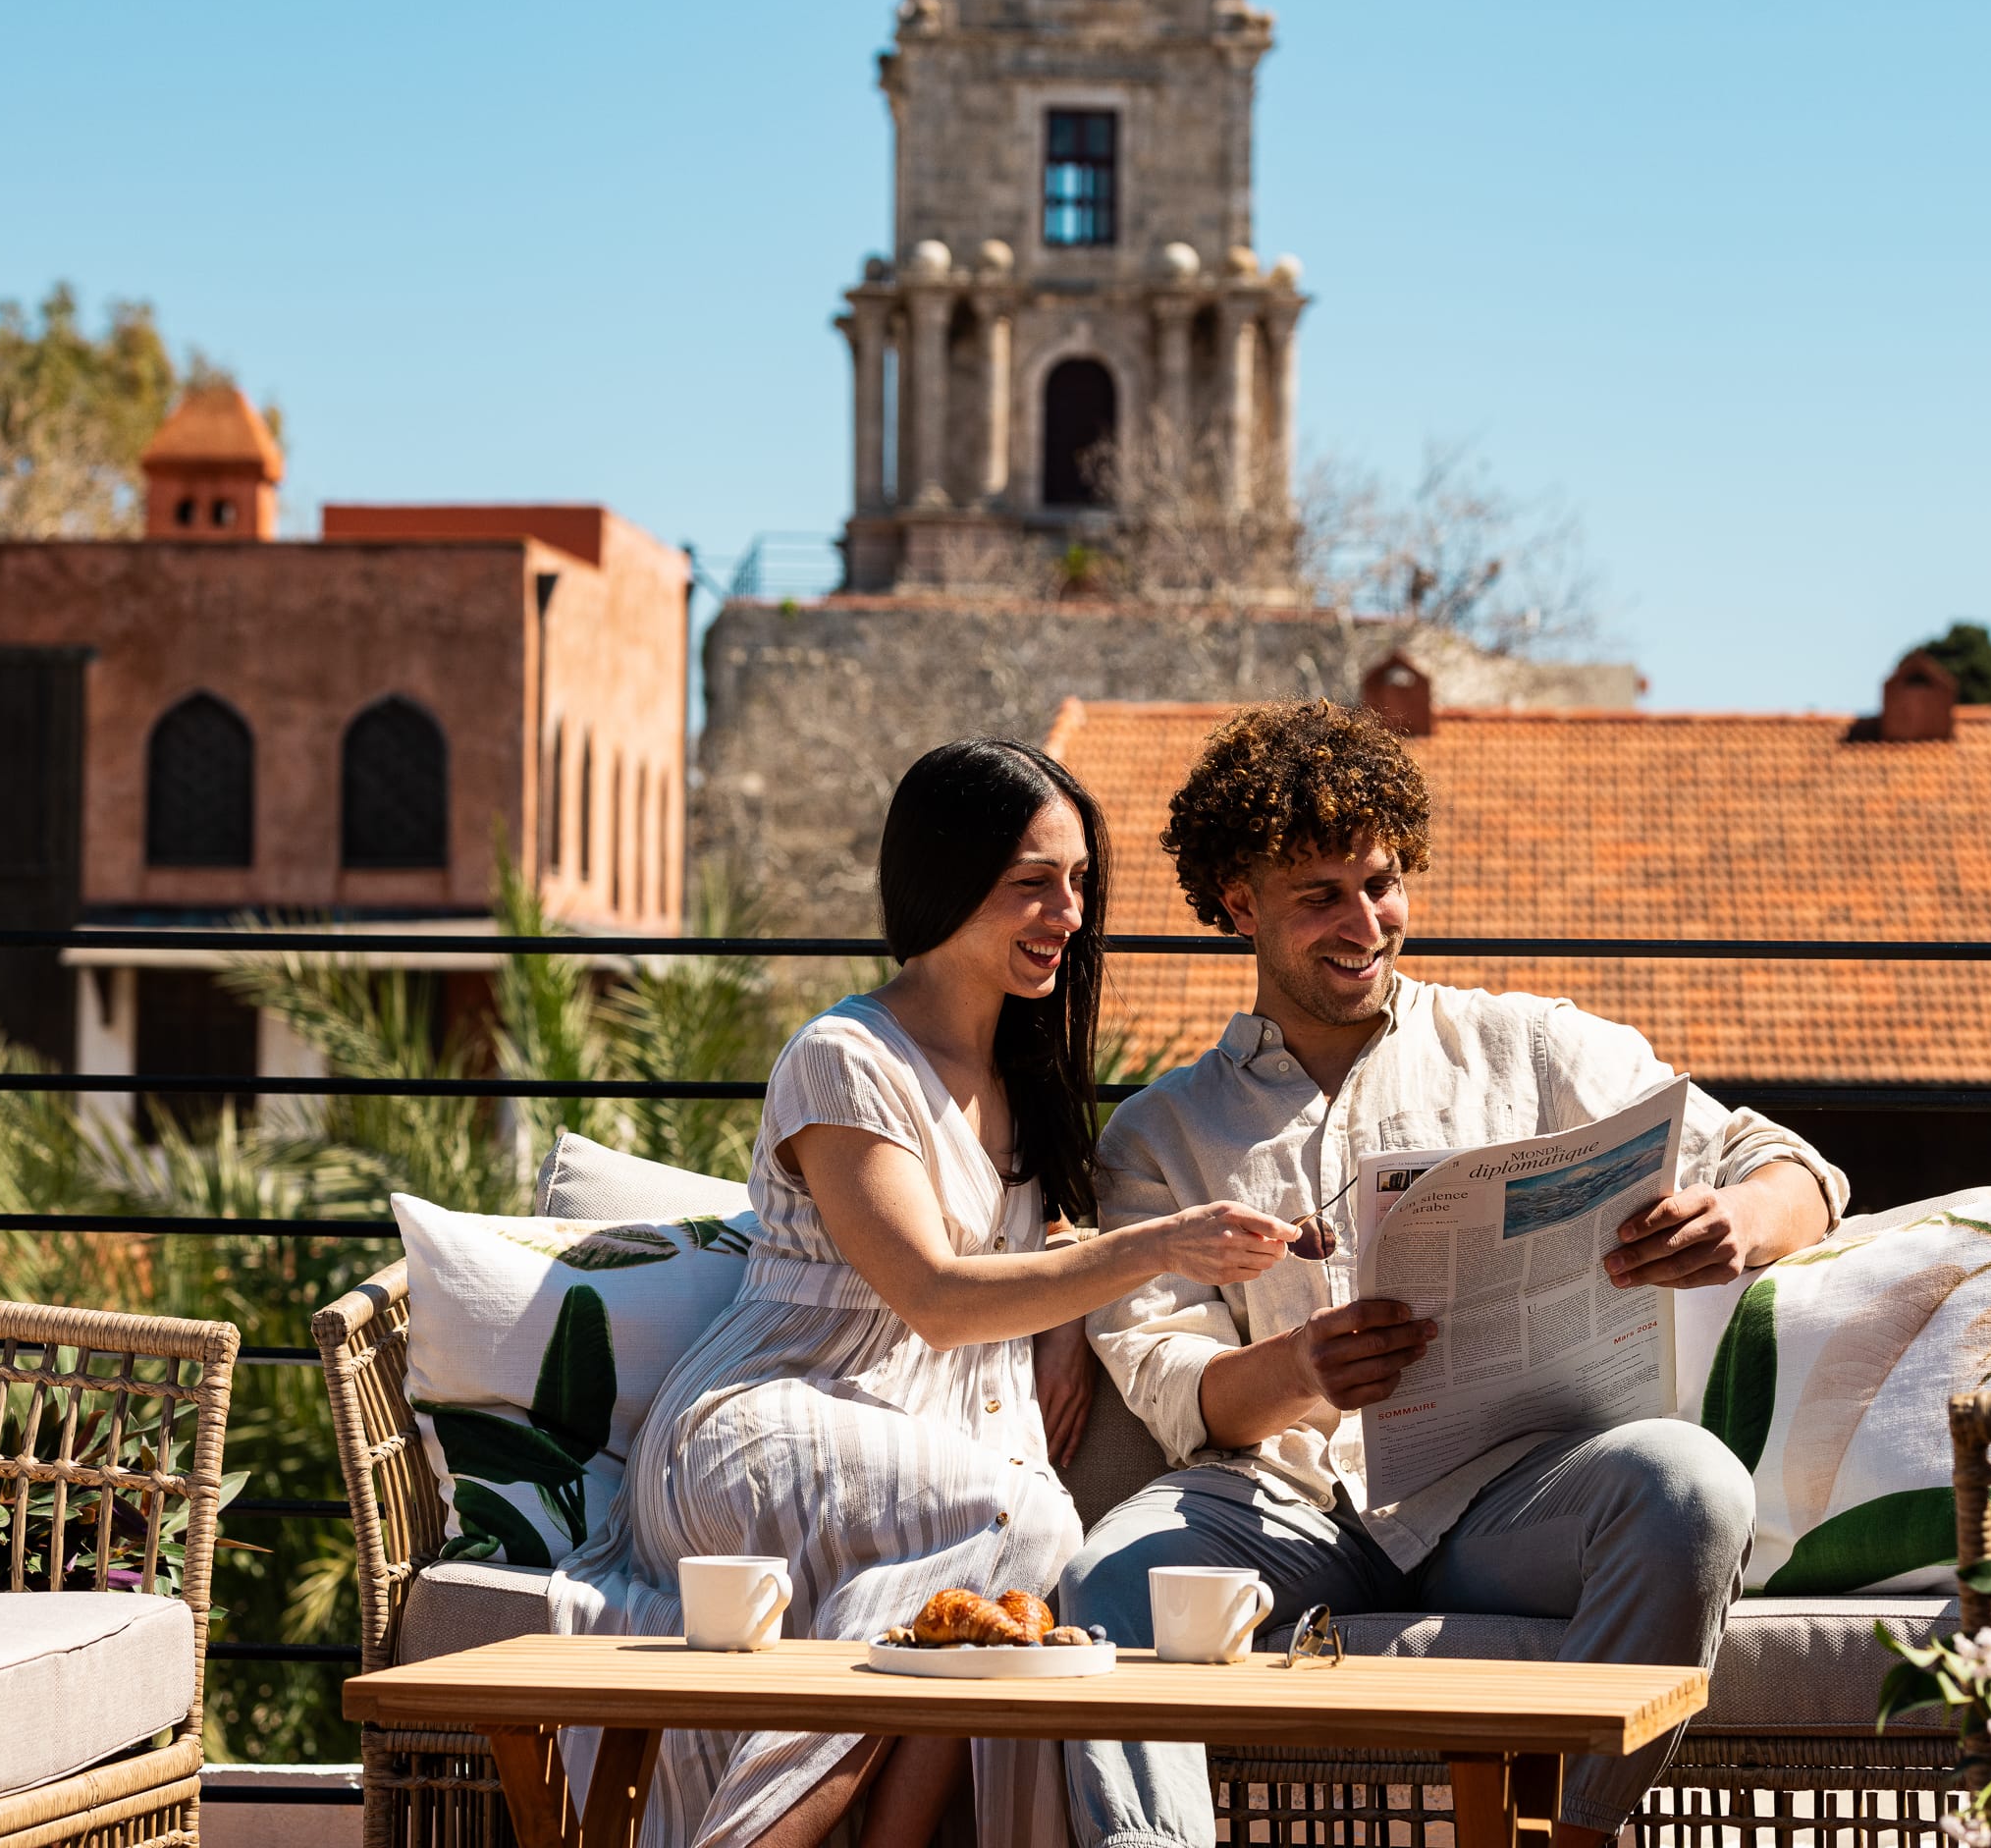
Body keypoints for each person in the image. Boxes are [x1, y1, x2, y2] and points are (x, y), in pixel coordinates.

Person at [1063, 701, 1851, 1848]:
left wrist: (1741, 1217)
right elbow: (1181, 1391)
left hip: (1515, 1497)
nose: (1364, 922)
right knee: (1106, 1576)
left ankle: (1569, 1839)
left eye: (1382, 882)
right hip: (1284, 1509)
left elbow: (1791, 1166)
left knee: (1690, 1484)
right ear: (1239, 903)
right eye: (1320, 894)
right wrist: (1300, 1365)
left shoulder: (1531, 1046)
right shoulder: (1159, 1135)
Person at [553, 738, 1298, 1848]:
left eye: (1078, 881)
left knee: (1011, 1556)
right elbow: (935, 1297)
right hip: (776, 1417)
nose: (1067, 913)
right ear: (946, 880)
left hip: (939, 1443)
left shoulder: (1022, 1069)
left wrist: (1061, 1323)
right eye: (1032, 882)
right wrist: (1158, 1246)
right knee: (1018, 1515)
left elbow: (1034, 1234)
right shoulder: (844, 1057)